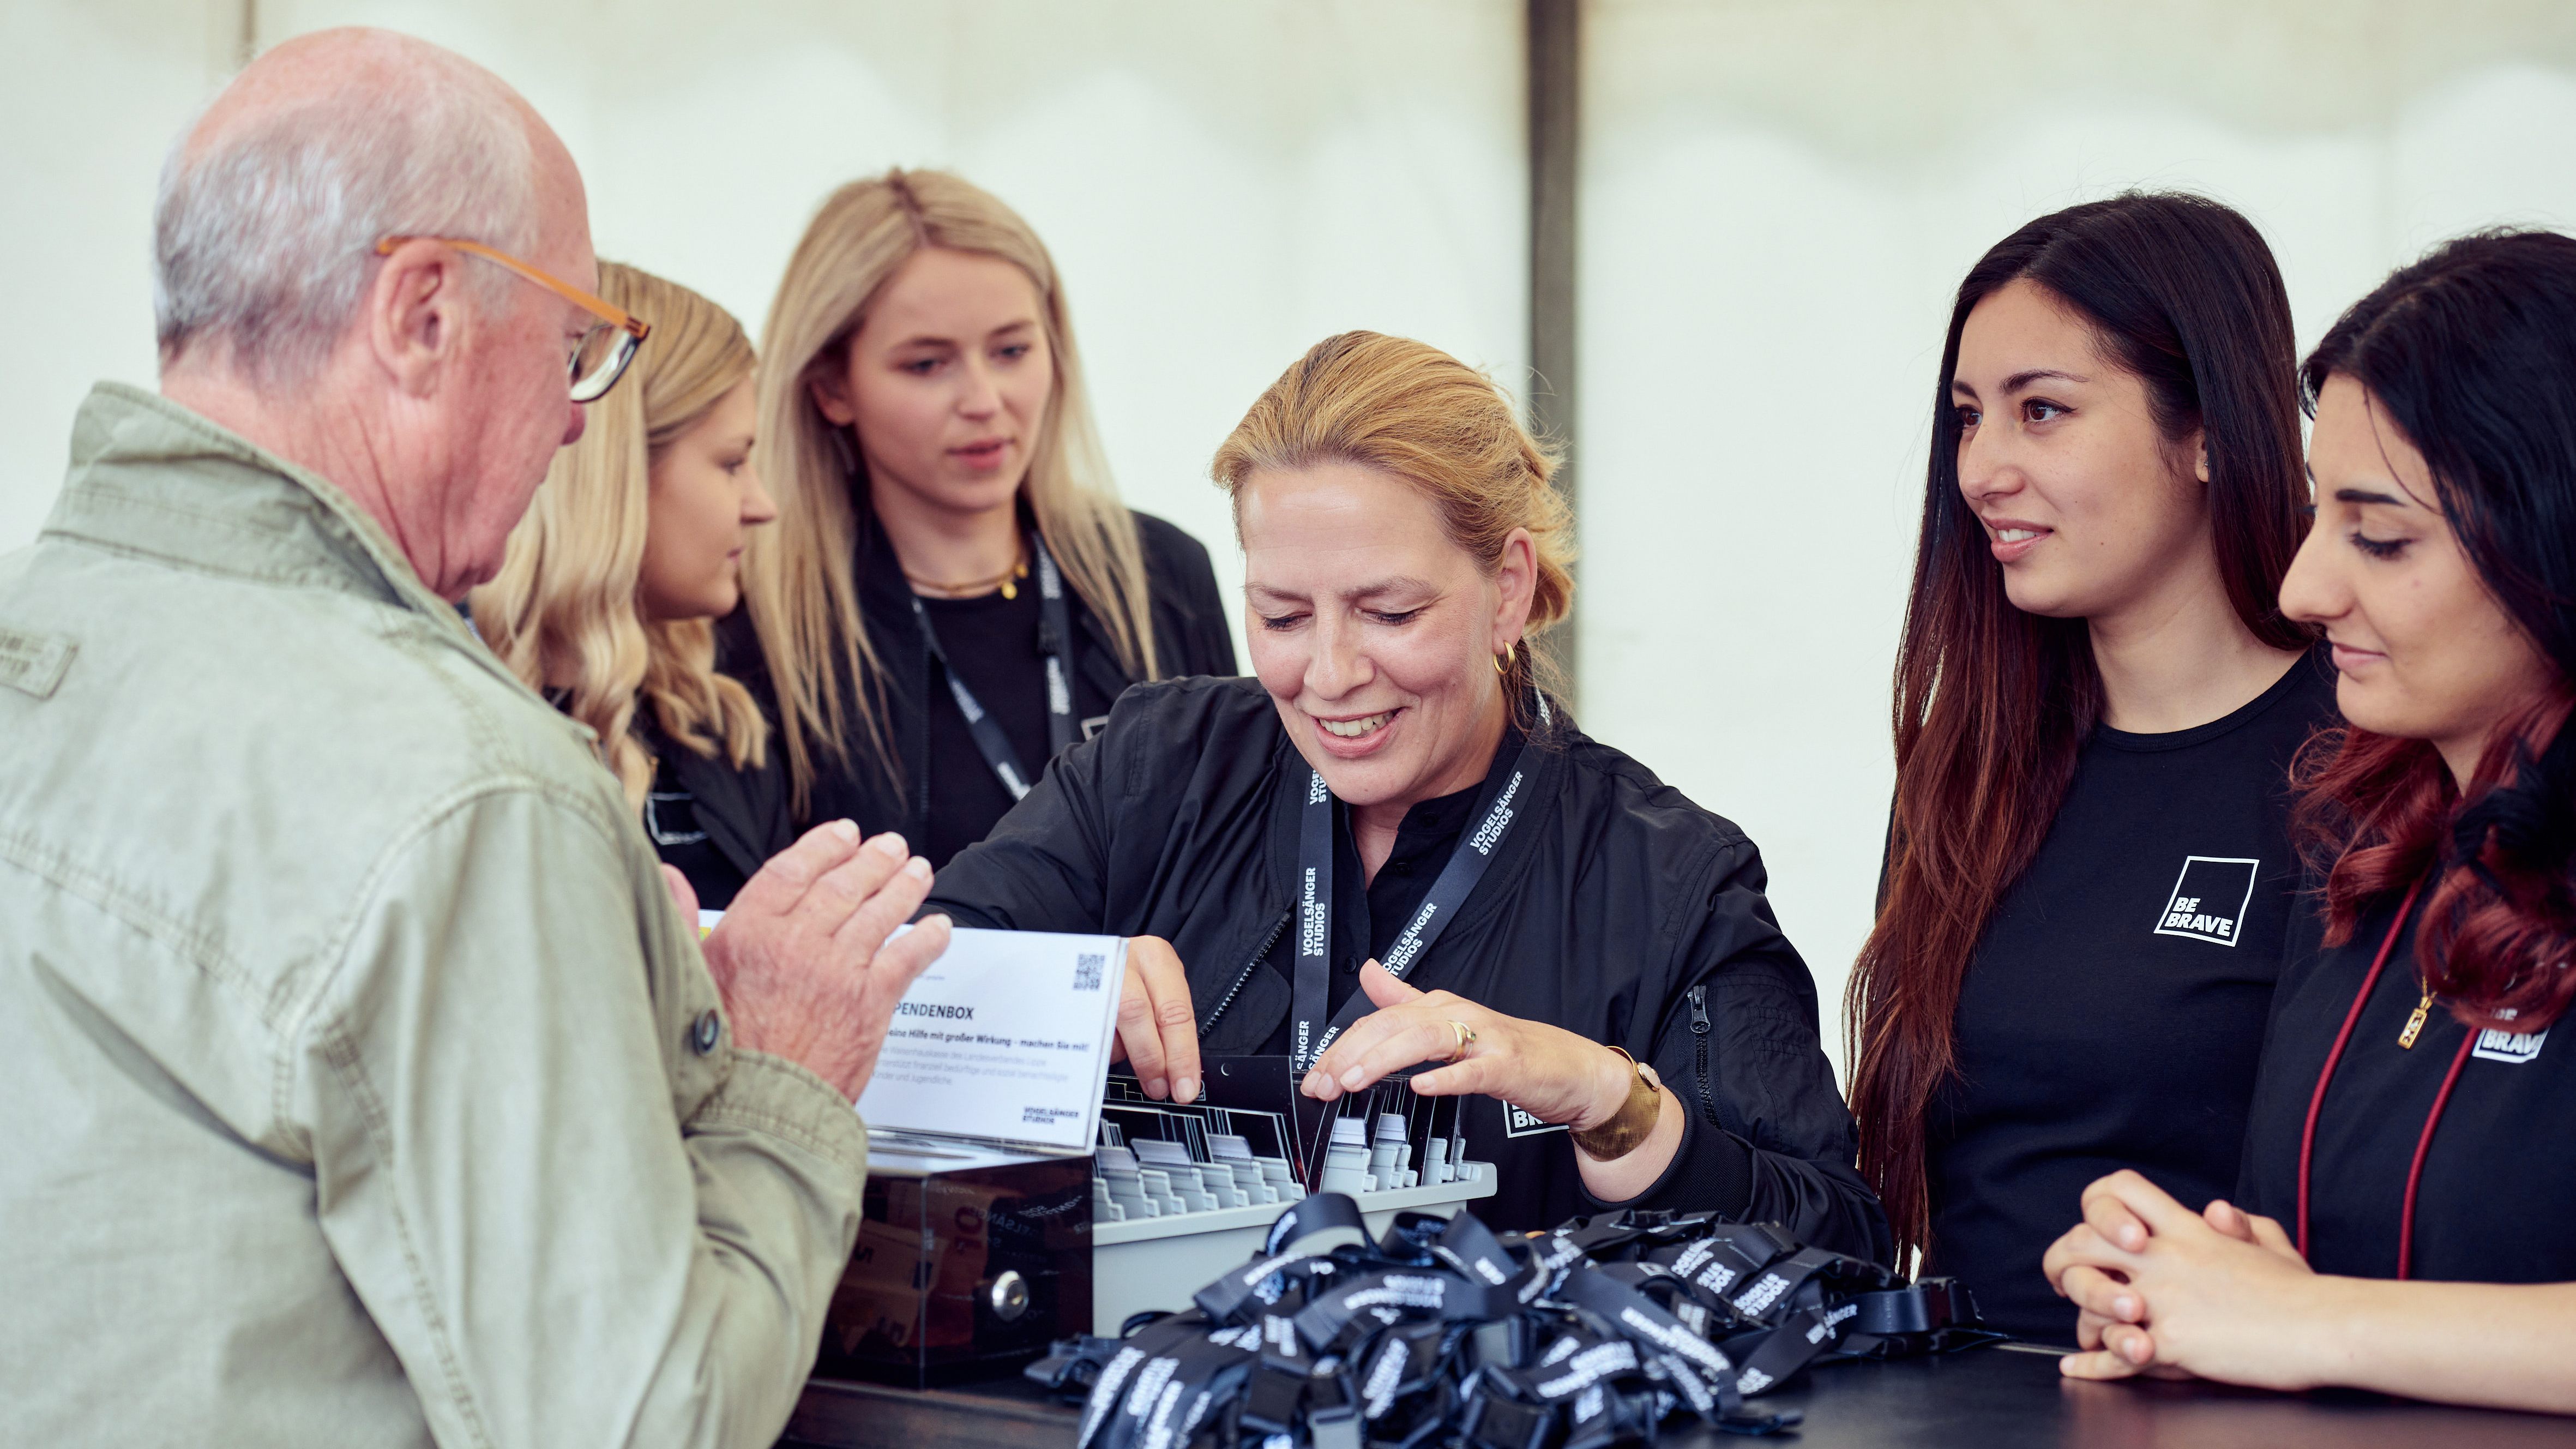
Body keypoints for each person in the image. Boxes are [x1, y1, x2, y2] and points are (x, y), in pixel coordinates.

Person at [0, 29, 951, 1445]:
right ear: (423, 314)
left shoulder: (57, 643)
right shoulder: (465, 790)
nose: (580, 432)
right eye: (573, 350)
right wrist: (783, 1074)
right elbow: (640, 1422)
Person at [926, 331, 1885, 1252]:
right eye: (1282, 615)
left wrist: (1608, 1102)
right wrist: (1057, 992)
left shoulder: (1670, 879)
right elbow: (905, 987)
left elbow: (1842, 1242)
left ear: (1507, 588)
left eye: (1389, 612)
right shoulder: (1150, 770)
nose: (1331, 672)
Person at [2045, 230, 2576, 1415]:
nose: (2301, 587)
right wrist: (2186, 1285)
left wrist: (2305, 1317)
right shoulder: (2372, 857)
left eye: (2378, 536)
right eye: (2318, 515)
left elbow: (2337, 1317)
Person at [1842, 193, 2336, 1340]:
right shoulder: (1963, 770)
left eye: (2043, 411)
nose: (1982, 471)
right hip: (1960, 1401)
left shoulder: (2366, 761)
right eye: (1969, 417)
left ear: (2211, 424)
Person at [731, 169, 1237, 869]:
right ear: (831, 388)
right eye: (928, 363)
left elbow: (1240, 868)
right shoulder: (756, 623)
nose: (983, 399)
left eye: (1010, 351)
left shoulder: (1161, 576)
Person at [471, 261, 789, 909]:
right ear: (615, 475)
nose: (762, 504)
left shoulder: (719, 728)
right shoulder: (460, 730)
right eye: (731, 462)